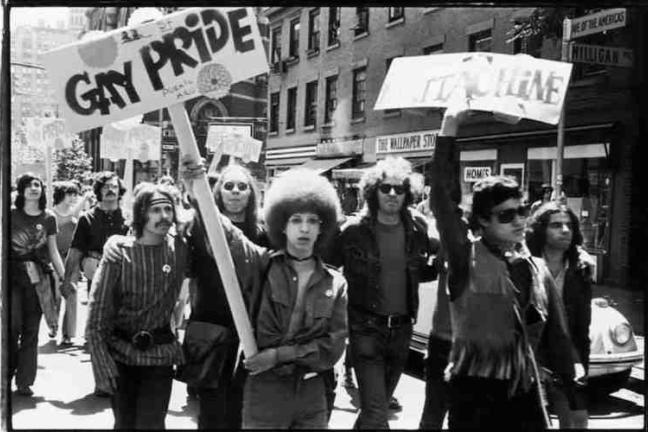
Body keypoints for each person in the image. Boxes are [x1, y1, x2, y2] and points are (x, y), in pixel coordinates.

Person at [430, 105, 579, 430]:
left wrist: (572, 398)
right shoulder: (464, 257)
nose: (519, 220)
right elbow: (442, 200)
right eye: (506, 215)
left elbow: (558, 339)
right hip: (473, 396)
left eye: (522, 210)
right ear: (483, 220)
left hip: (525, 392)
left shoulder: (535, 267)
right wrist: (450, 125)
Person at [182, 165, 348, 428]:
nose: (304, 229)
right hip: (266, 389)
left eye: (312, 221)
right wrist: (199, 194)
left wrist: (278, 355)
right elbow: (227, 237)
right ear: (281, 225)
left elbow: (333, 347)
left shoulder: (335, 283)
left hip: (312, 391)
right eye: (296, 220)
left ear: (322, 228)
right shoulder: (263, 265)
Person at [326, 156, 439, 429]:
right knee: (377, 412)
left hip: (402, 330)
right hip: (365, 327)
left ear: (407, 193)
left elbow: (422, 270)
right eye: (385, 188)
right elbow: (327, 269)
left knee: (372, 411)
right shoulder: (353, 230)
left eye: (399, 189)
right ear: (373, 191)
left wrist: (440, 261)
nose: (392, 194)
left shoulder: (418, 228)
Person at [85, 183, 187, 429]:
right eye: (155, 210)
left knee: (151, 424)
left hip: (160, 356)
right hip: (122, 354)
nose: (164, 216)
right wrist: (101, 363)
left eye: (168, 209)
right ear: (141, 213)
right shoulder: (119, 250)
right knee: (125, 424)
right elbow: (98, 312)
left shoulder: (181, 248)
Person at [184, 163, 270, 429]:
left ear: (251, 194)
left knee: (239, 410)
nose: (235, 192)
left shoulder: (265, 233)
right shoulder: (198, 228)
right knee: (211, 412)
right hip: (211, 332)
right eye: (229, 186)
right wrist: (193, 191)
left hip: (250, 334)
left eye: (242, 187)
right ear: (218, 192)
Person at [526, 202, 593, 428]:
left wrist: (580, 363)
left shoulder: (580, 268)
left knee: (577, 421)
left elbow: (583, 327)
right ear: (541, 230)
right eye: (556, 225)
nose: (565, 230)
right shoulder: (526, 263)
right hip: (532, 354)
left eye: (568, 225)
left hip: (567, 353)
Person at [10, 173, 66, 397]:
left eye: (37, 185)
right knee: (12, 328)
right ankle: (7, 373)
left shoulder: (49, 217)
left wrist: (64, 279)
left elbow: (53, 251)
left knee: (31, 331)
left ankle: (24, 382)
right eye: (29, 185)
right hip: (12, 277)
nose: (34, 188)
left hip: (39, 281)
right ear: (21, 190)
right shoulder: (10, 215)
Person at [60, 171, 129, 305]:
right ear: (98, 190)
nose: (110, 190)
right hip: (96, 276)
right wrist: (67, 280)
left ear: (120, 190)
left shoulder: (129, 218)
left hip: (125, 278)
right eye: (106, 187)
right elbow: (75, 251)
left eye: (114, 186)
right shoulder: (87, 219)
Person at [52, 181, 82, 346]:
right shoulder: (51, 213)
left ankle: (68, 334)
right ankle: (53, 324)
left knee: (72, 294)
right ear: (61, 195)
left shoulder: (76, 213)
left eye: (75, 194)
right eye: (70, 194)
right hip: (54, 259)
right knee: (56, 295)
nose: (73, 197)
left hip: (72, 258)